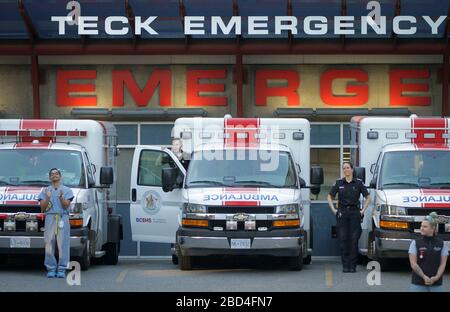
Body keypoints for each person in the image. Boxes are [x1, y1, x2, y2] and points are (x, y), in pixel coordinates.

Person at [327, 161, 371, 273]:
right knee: (343, 240)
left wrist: (362, 210)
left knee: (354, 240)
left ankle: (353, 266)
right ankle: (345, 266)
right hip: (342, 213)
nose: (345, 170)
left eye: (347, 168)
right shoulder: (339, 183)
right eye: (344, 168)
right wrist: (334, 210)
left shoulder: (358, 183)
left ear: (352, 170)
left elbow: (368, 198)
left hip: (355, 213)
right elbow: (329, 197)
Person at [38, 168, 74, 278]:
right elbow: (43, 208)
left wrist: (61, 197)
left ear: (60, 176)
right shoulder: (45, 191)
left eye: (57, 174)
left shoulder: (67, 190)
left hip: (62, 217)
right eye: (52, 174)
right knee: (49, 242)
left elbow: (66, 205)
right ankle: (51, 268)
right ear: (49, 177)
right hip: (50, 217)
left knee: (63, 243)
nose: (54, 175)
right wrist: (48, 197)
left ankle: (62, 268)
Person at [409, 212, 448, 292]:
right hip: (418, 283)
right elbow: (413, 264)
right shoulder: (415, 243)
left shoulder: (442, 244)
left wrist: (436, 277)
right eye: (421, 226)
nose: (421, 228)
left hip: (436, 284)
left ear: (433, 228)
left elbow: (443, 264)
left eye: (425, 226)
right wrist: (424, 276)